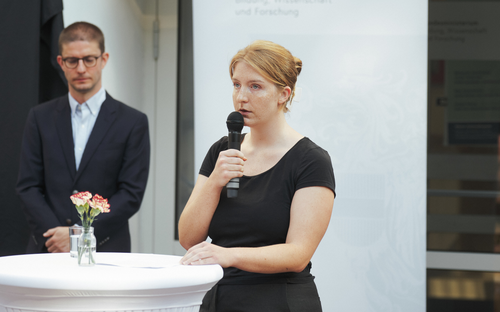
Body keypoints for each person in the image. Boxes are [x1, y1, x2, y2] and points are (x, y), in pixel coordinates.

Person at [178, 40, 336, 311]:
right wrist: (215, 180)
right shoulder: (222, 150)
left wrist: (228, 255)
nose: (241, 97)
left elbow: (297, 254)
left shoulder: (311, 160)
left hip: (279, 300)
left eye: (255, 86)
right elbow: (189, 238)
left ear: (283, 94)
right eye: (236, 84)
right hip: (220, 299)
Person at [16, 22, 150, 253]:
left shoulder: (132, 121)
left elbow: (130, 194)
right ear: (61, 63)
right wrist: (58, 235)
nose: (81, 68)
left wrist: (78, 234)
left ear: (103, 59)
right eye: (72, 60)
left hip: (106, 250)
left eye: (89, 59)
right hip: (48, 246)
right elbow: (28, 186)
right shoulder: (39, 117)